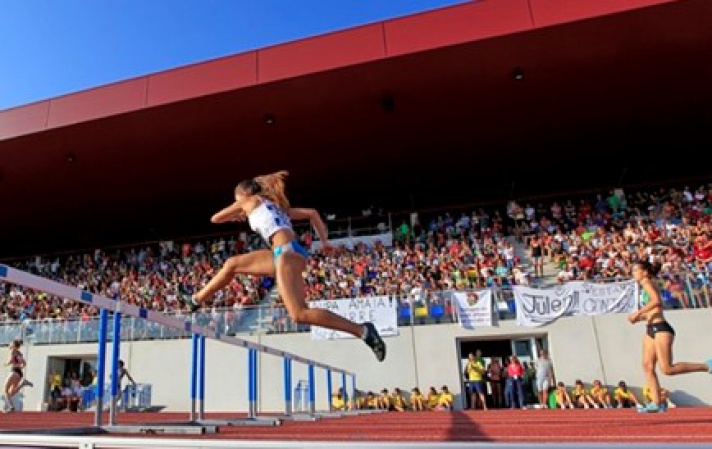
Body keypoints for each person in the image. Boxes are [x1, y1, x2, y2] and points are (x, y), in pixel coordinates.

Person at [185, 171, 385, 361]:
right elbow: (313, 214)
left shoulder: (249, 201)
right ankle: (196, 299)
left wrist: (237, 211)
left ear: (244, 194)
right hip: (289, 252)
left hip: (285, 254)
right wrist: (324, 243)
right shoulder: (275, 205)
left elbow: (216, 218)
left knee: (299, 314)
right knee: (231, 264)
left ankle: (362, 330)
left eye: (237, 199)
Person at [628, 260, 711, 413]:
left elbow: (656, 301)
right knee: (647, 366)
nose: (633, 273)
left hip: (661, 329)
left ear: (644, 272)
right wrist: (639, 318)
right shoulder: (644, 286)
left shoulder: (647, 282)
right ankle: (657, 402)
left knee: (667, 369)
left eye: (635, 270)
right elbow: (654, 310)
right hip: (651, 329)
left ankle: (707, 365)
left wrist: (638, 313)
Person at [3, 339, 33, 413]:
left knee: (6, 390)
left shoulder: (13, 351)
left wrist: (6, 364)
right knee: (11, 393)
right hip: (19, 373)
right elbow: (24, 364)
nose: (10, 345)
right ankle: (23, 384)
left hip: (14, 371)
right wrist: (20, 368)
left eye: (11, 344)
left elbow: (11, 360)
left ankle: (12, 407)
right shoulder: (20, 353)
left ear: (14, 345)